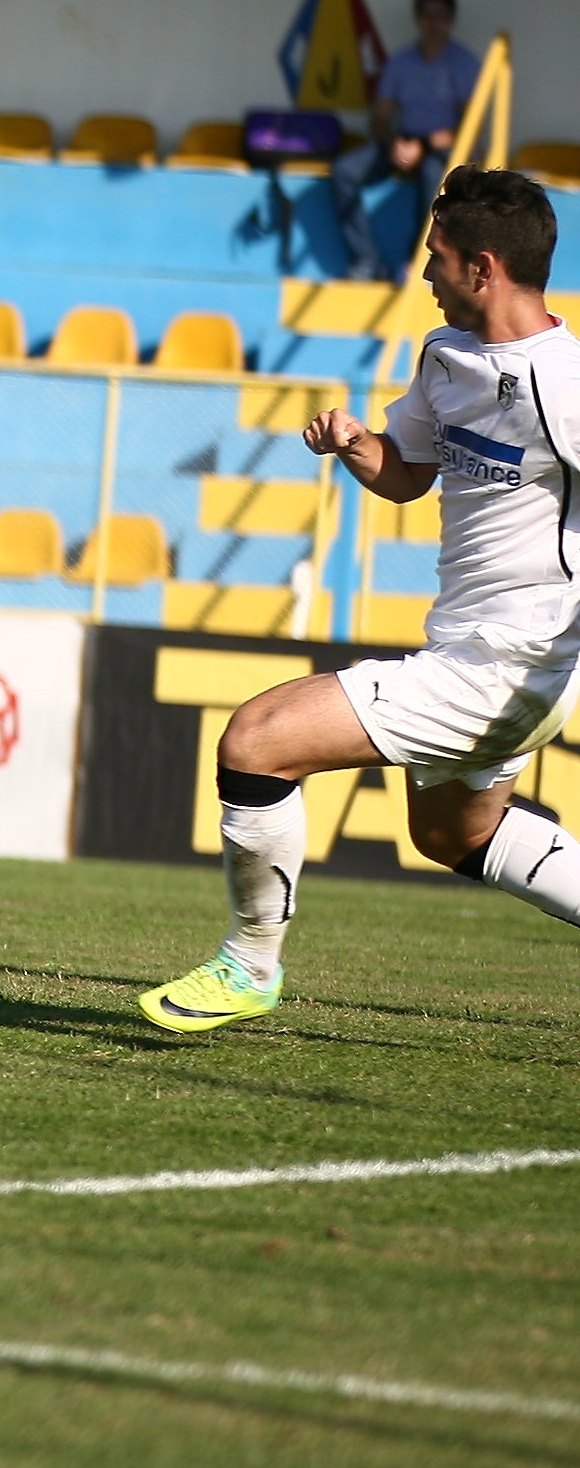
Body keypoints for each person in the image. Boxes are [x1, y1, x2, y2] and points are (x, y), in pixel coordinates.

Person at [146, 169, 580, 1031]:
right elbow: (411, 475)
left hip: (515, 659)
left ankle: (248, 966)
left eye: (437, 259)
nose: (425, 275)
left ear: (483, 268)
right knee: (454, 838)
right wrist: (356, 445)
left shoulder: (562, 383)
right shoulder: (446, 357)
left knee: (257, 740)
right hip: (467, 645)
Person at [327, 0, 481, 282]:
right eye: (427, 16)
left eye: (440, 16)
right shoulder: (401, 62)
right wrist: (395, 143)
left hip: (443, 146)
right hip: (404, 141)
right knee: (344, 171)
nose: (433, 23)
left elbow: (468, 126)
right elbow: (380, 117)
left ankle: (420, 263)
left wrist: (422, 145)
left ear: (451, 20)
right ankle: (366, 260)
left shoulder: (463, 62)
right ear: (418, 19)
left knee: (435, 180)